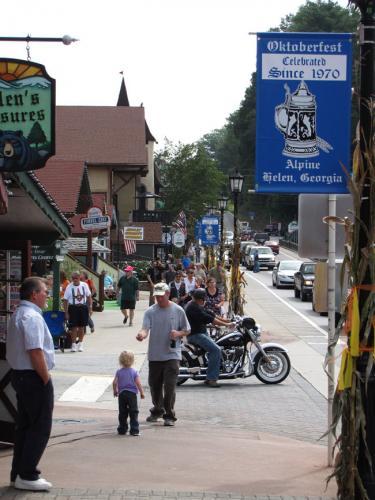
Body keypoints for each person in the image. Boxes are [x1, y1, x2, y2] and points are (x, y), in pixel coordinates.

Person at [6, 277, 55, 491]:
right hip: (33, 376)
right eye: (45, 291)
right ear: (34, 294)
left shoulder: (19, 313)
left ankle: (19, 472)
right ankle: (27, 474)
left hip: (20, 375)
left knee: (25, 426)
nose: (47, 295)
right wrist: (45, 378)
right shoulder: (31, 316)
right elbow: (35, 351)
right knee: (40, 427)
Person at [136, 282, 190, 426]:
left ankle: (169, 415)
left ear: (167, 294)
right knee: (154, 385)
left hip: (172, 354)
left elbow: (186, 330)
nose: (158, 299)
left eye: (161, 296)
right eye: (156, 296)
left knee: (170, 385)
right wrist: (141, 335)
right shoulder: (150, 312)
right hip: (155, 354)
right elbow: (145, 329)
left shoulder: (178, 310)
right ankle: (157, 409)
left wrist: (178, 333)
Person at [185, 288, 235, 388]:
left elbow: (211, 314)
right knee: (216, 350)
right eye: (204, 298)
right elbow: (210, 319)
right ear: (200, 299)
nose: (205, 300)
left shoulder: (196, 305)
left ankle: (212, 369)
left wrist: (228, 321)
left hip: (201, 333)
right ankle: (211, 378)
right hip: (195, 335)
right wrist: (227, 325)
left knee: (218, 345)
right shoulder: (193, 307)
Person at [112, 350, 145, 436]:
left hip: (122, 394)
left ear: (120, 361)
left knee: (122, 412)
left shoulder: (119, 372)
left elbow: (115, 382)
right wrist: (141, 392)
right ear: (133, 361)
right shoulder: (134, 372)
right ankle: (134, 430)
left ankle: (122, 429)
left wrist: (115, 390)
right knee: (133, 411)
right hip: (132, 394)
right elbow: (138, 383)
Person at [63, 271, 92, 352]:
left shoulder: (84, 285)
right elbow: (65, 300)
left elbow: (89, 296)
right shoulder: (69, 286)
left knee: (82, 327)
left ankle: (80, 343)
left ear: (80, 278)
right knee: (74, 327)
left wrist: (90, 307)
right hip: (73, 308)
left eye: (76, 278)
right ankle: (73, 344)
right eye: (73, 278)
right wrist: (66, 312)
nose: (74, 280)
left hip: (83, 307)